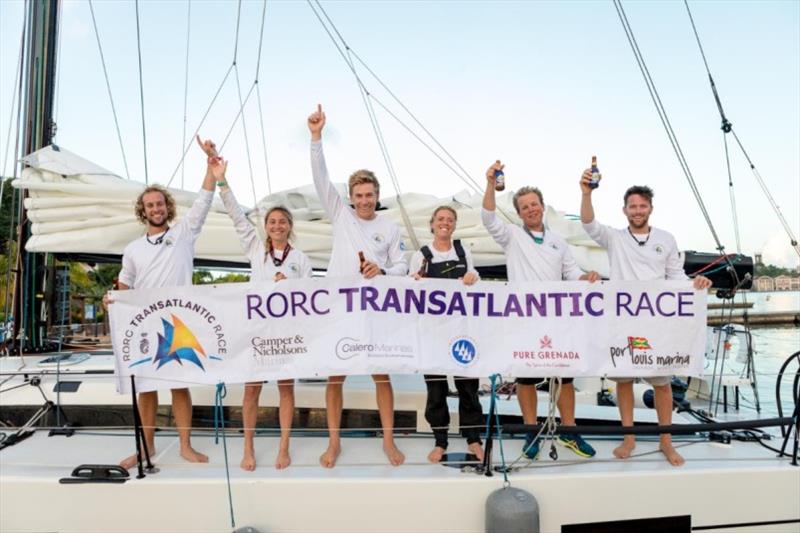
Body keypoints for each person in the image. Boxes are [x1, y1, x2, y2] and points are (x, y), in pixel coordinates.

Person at [579, 170, 712, 466]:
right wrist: (587, 192)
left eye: (642, 206)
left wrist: (697, 284)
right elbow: (588, 223)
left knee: (662, 383)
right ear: (624, 210)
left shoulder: (666, 238)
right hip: (622, 321)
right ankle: (629, 437)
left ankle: (666, 440)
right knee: (623, 381)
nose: (637, 211)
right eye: (632, 206)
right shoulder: (614, 237)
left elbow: (676, 275)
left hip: (657, 324)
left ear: (650, 208)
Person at [107, 135, 220, 470]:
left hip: (179, 324)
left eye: (160, 203)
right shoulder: (132, 249)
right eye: (150, 205)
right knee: (145, 390)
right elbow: (123, 287)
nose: (155, 208)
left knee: (179, 386)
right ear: (143, 211)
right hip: (145, 326)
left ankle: (185, 445)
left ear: (167, 207)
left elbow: (203, 200)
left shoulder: (184, 232)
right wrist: (111, 300)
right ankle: (146, 447)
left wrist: (211, 166)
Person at [308, 104, 408, 468]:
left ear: (377, 196)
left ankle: (389, 441)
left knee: (382, 377)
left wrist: (380, 270)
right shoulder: (341, 215)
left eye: (369, 195)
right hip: (340, 309)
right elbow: (321, 178)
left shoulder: (390, 227)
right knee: (336, 378)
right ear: (350, 197)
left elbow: (401, 268)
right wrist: (316, 137)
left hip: (375, 313)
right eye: (358, 195)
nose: (364, 201)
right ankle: (333, 443)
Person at [482, 160, 600, 461]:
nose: (530, 210)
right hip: (523, 319)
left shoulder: (559, 242)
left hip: (557, 321)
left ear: (543, 207)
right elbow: (488, 217)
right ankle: (531, 431)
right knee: (525, 379)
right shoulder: (511, 236)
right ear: (519, 213)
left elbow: (572, 273)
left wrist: (586, 278)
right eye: (524, 207)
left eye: (534, 204)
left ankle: (570, 432)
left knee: (566, 377)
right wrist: (489, 183)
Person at [218, 169, 312, 471]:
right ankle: (248, 448)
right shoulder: (256, 250)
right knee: (251, 390)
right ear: (266, 227)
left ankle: (284, 447)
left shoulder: (301, 259)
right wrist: (222, 181)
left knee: (286, 389)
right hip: (257, 332)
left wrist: (292, 284)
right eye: (272, 222)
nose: (277, 226)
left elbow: (311, 295)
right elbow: (236, 216)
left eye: (282, 222)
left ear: (290, 226)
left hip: (286, 333)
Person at [409, 205, 484, 463]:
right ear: (432, 224)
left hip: (463, 331)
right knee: (436, 390)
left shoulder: (464, 251)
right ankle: (440, 441)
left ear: (454, 225)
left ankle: (474, 439)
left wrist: (474, 277)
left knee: (468, 387)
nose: (445, 223)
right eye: (441, 219)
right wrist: (416, 281)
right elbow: (411, 290)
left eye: (450, 219)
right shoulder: (422, 255)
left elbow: (476, 281)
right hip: (433, 333)